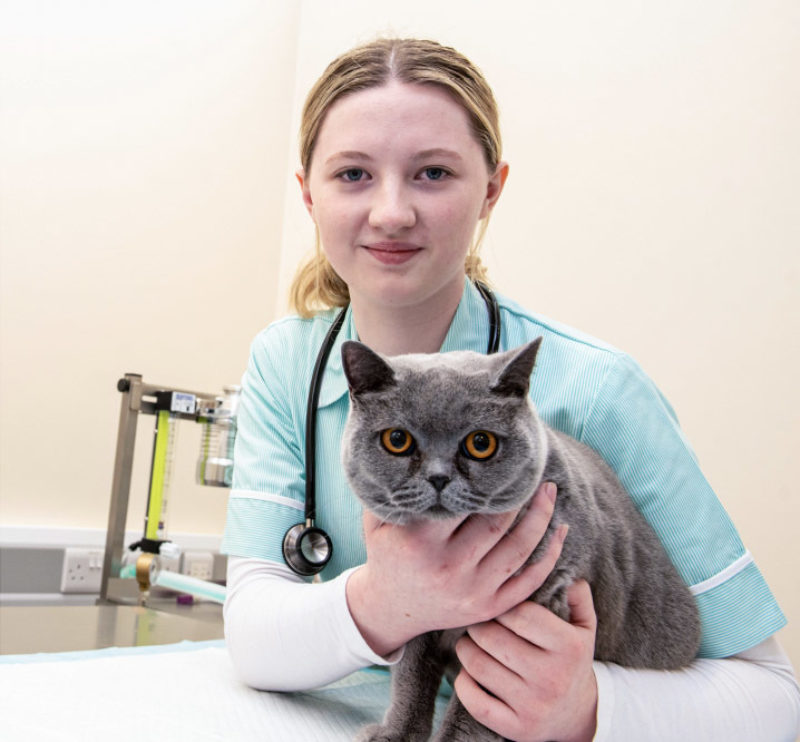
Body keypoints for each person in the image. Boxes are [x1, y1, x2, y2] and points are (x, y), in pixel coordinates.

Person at [222, 38, 800, 741]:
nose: (393, 211)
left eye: (433, 172)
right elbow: (252, 634)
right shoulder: (286, 362)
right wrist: (389, 600)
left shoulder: (598, 390)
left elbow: (776, 700)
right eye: (353, 175)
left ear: (491, 188)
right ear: (308, 193)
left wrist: (589, 707)